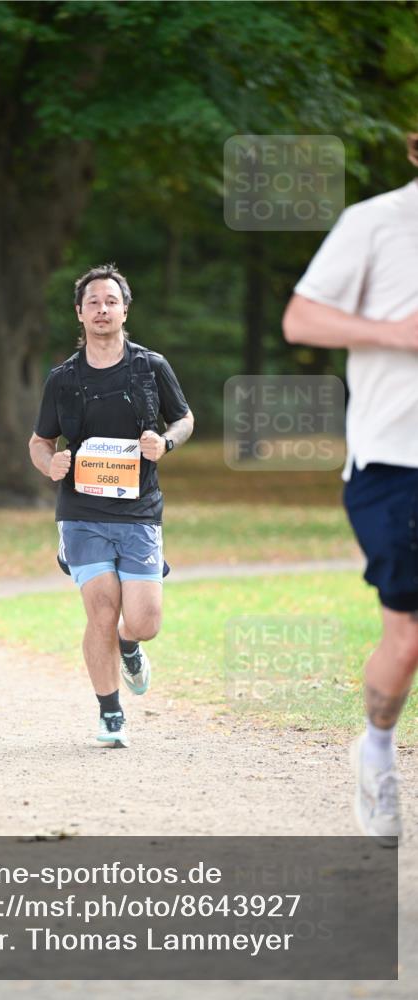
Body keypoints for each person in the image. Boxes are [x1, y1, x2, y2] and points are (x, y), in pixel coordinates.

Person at [282, 134, 418, 845]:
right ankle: (374, 747)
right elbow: (299, 318)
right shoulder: (375, 222)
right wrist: (395, 335)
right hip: (396, 463)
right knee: (407, 636)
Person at [29, 264, 194, 747]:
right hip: (81, 511)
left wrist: (165, 442)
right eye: (93, 302)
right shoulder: (62, 379)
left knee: (144, 621)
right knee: (101, 608)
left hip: (140, 510)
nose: (103, 309)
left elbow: (184, 419)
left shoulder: (151, 367)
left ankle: (129, 646)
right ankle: (110, 713)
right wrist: (49, 464)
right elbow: (39, 440)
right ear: (79, 313)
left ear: (125, 309)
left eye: (111, 301)